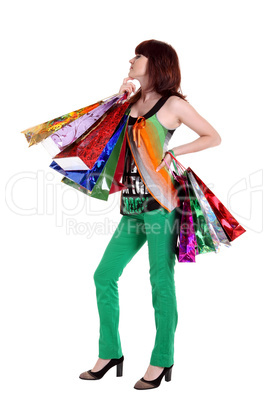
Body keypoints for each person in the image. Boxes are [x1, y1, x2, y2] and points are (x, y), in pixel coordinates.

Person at [79, 39, 221, 390]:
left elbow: (212, 136)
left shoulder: (172, 104)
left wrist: (175, 153)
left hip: (161, 209)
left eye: (138, 55)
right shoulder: (130, 102)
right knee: (103, 276)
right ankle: (110, 352)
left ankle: (162, 358)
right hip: (131, 207)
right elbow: (102, 140)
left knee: (160, 282)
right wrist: (118, 98)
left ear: (155, 61)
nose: (131, 59)